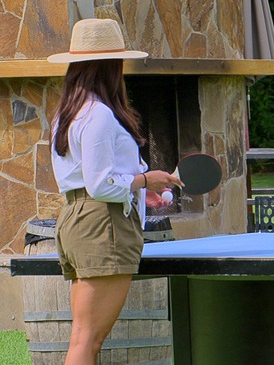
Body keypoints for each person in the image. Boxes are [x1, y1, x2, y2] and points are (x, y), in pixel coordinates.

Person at [48, 18, 182, 365]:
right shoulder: (99, 115)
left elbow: (91, 179)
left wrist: (138, 192)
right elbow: (101, 183)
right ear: (109, 66)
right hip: (101, 224)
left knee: (82, 338)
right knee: (87, 341)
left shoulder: (67, 113)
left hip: (78, 219)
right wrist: (144, 180)